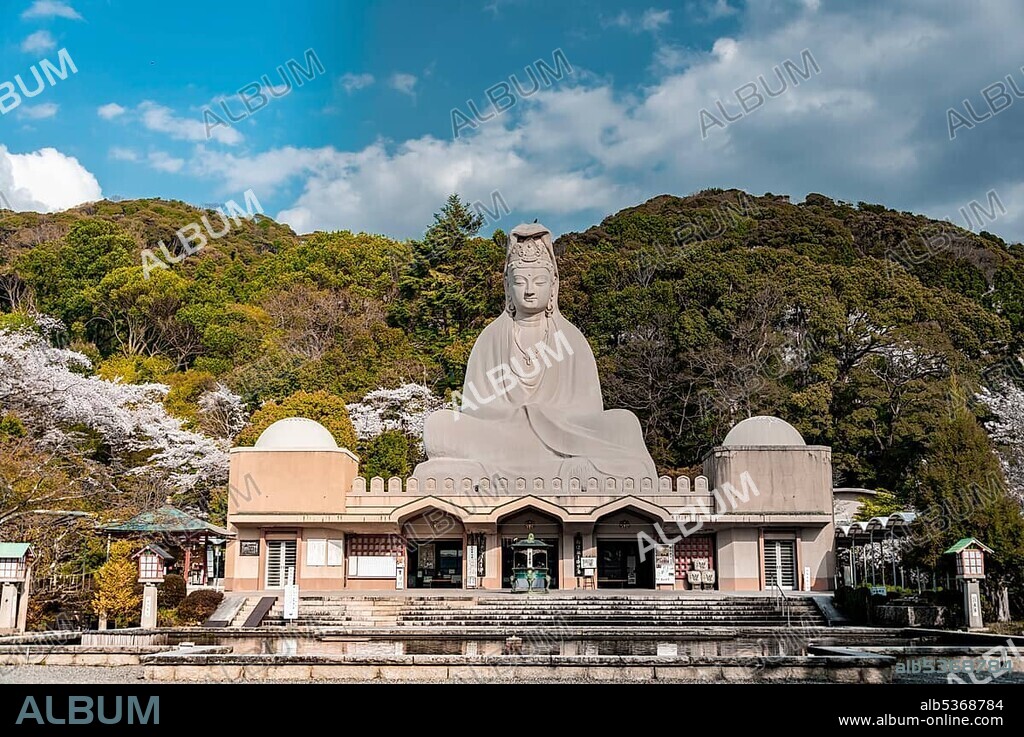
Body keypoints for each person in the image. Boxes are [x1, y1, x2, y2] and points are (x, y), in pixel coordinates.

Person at [414, 222, 657, 484]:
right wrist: (519, 416)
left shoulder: (572, 339)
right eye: (520, 281)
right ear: (508, 287)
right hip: (503, 438)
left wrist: (544, 416)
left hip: (563, 440)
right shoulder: (490, 338)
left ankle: (486, 474)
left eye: (539, 281)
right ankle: (572, 473)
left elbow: (589, 412)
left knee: (625, 424)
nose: (530, 290)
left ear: (553, 286)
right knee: (439, 426)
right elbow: (474, 410)